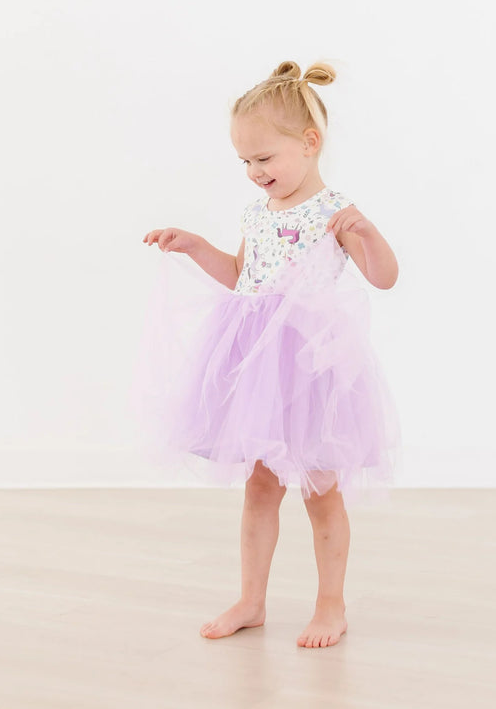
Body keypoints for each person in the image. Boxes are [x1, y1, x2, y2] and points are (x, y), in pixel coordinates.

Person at [130, 60, 402, 648]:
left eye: (264, 158)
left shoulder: (333, 211)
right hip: (256, 367)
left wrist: (369, 233)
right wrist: (196, 246)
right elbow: (241, 275)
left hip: (309, 368)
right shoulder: (258, 212)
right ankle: (251, 599)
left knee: (321, 491)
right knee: (259, 487)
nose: (255, 172)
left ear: (309, 142)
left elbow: (383, 278)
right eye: (245, 162)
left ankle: (331, 604)